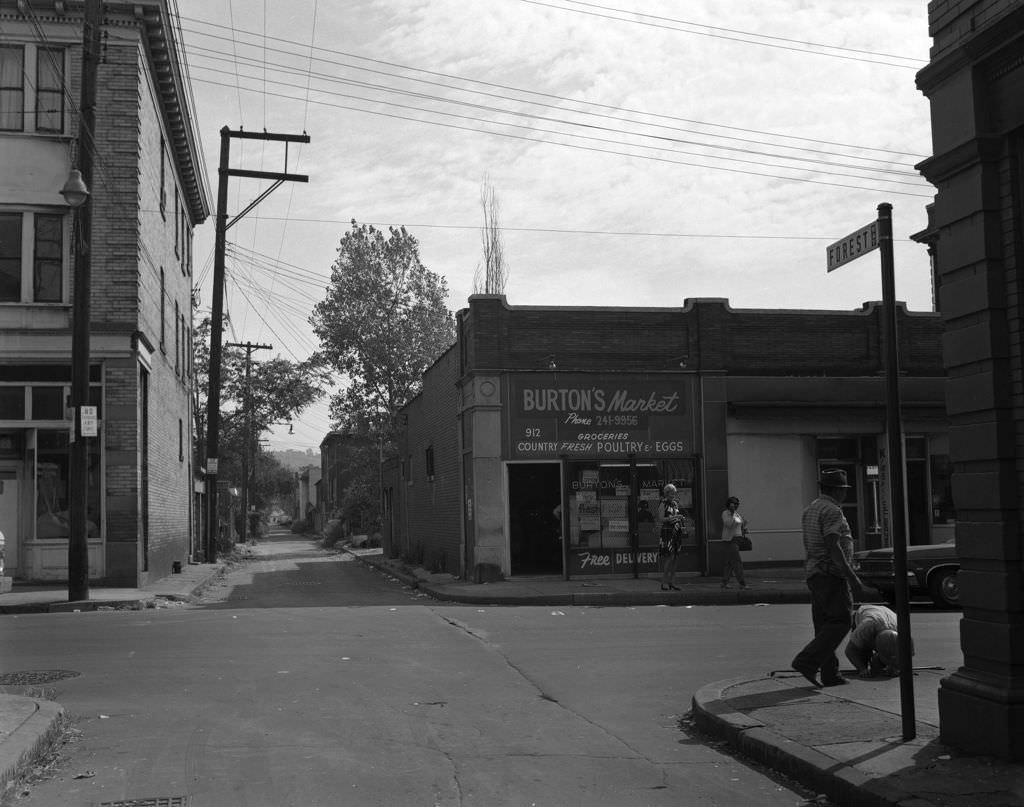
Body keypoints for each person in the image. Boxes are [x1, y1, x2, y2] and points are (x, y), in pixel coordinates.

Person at [791, 468, 865, 687]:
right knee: (841, 621)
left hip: (815, 572)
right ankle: (806, 661)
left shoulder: (811, 509)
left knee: (824, 625)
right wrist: (852, 577)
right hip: (831, 574)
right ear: (835, 490)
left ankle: (830, 674)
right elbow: (833, 545)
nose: (845, 494)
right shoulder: (832, 511)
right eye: (843, 490)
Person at [845, 604, 910, 678]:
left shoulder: (903, 631)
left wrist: (895, 667)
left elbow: (906, 656)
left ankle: (880, 663)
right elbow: (850, 651)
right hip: (864, 611)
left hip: (884, 613)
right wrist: (863, 669)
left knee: (880, 664)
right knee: (861, 649)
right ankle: (868, 662)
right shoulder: (866, 627)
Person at [658, 483, 687, 591]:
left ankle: (672, 582)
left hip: (676, 531)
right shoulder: (663, 504)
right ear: (666, 493)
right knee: (669, 558)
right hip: (667, 532)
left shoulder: (675, 504)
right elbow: (661, 519)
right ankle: (664, 583)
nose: (673, 495)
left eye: (674, 493)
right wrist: (675, 517)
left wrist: (680, 518)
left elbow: (675, 517)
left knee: (676, 558)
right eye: (671, 493)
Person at [720, 495, 748, 589]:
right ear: (729, 504)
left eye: (737, 504)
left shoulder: (736, 514)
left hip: (737, 540)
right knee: (737, 562)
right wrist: (732, 514)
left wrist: (744, 528)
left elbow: (739, 525)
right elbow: (728, 524)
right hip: (730, 540)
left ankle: (724, 582)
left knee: (729, 563)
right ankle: (742, 583)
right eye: (734, 503)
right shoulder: (726, 513)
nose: (736, 506)